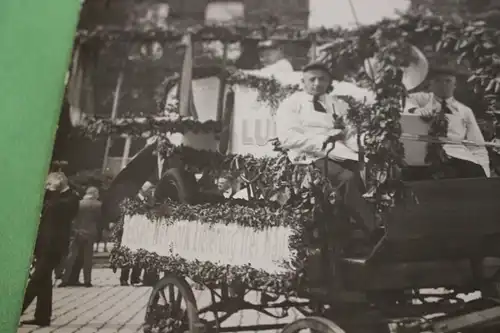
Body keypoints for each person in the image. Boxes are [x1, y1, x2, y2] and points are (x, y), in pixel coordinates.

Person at [275, 62, 375, 231]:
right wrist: (324, 139)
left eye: (322, 79)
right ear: (303, 81)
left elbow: (349, 134)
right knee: (347, 178)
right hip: (308, 155)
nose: (317, 83)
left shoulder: (337, 104)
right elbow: (288, 138)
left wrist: (365, 143)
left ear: (329, 82)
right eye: (312, 79)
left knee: (372, 172)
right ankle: (371, 228)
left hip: (340, 152)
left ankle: (360, 227)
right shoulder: (291, 104)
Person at [404, 65, 490, 179]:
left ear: (455, 85)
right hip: (426, 158)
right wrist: (416, 110)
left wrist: (485, 172)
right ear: (431, 85)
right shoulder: (423, 100)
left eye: (448, 81)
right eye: (438, 81)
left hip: (458, 156)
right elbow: (405, 100)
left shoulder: (464, 111)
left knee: (474, 174)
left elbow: (477, 145)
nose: (443, 85)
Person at [20, 172, 80, 327]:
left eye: (49, 184)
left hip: (54, 248)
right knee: (44, 282)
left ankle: (13, 313)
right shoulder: (54, 197)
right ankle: (42, 316)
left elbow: (56, 209)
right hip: (43, 246)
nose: (47, 187)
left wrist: (53, 191)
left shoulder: (72, 198)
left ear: (59, 182)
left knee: (35, 281)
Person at [60, 187, 102, 287]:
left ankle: (65, 279)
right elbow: (100, 220)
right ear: (95, 194)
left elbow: (72, 218)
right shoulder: (99, 205)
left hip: (77, 232)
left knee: (71, 257)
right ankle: (87, 281)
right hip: (90, 233)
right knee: (88, 258)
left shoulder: (78, 204)